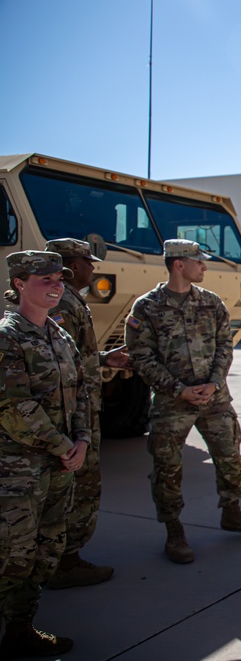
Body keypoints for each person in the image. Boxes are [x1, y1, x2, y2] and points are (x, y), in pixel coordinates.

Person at [125, 239, 241, 564]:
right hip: (171, 403)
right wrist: (179, 389)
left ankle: (232, 512)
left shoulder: (212, 303)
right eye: (199, 262)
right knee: (167, 467)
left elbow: (224, 346)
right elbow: (141, 356)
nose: (204, 267)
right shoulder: (146, 307)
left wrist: (215, 382)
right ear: (179, 264)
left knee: (230, 457)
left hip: (214, 399)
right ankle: (174, 530)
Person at [0, 251, 90, 657]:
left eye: (59, 279)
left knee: (47, 548)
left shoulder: (60, 336)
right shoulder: (7, 336)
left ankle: (20, 630)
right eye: (45, 279)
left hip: (60, 465)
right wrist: (64, 446)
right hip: (17, 469)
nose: (56, 286)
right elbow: (13, 407)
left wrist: (83, 439)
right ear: (19, 283)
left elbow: (81, 393)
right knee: (12, 554)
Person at [43, 238, 129, 588]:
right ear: (73, 265)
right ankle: (65, 561)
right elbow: (56, 362)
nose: (94, 269)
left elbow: (73, 356)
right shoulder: (61, 300)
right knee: (81, 484)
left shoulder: (69, 298)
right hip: (72, 411)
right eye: (88, 263)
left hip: (79, 405)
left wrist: (104, 359)